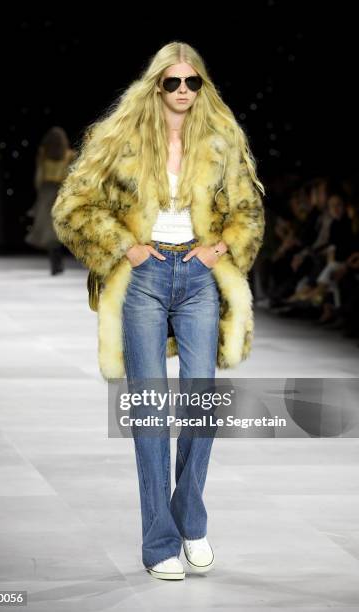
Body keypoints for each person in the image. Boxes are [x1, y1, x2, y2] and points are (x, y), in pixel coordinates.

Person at [51, 41, 265, 580]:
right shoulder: (118, 138)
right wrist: (123, 246)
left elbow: (249, 207)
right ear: (156, 86)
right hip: (143, 278)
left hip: (198, 277)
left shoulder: (221, 140)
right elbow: (72, 206)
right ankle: (158, 542)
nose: (184, 92)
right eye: (173, 83)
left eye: (193, 82)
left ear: (202, 87)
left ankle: (189, 516)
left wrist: (223, 247)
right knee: (149, 411)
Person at [25, 126, 76, 274]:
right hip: (60, 191)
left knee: (49, 228)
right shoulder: (69, 155)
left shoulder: (43, 154)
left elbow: (39, 175)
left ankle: (56, 262)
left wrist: (38, 194)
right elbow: (70, 175)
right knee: (56, 228)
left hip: (46, 191)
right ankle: (57, 261)